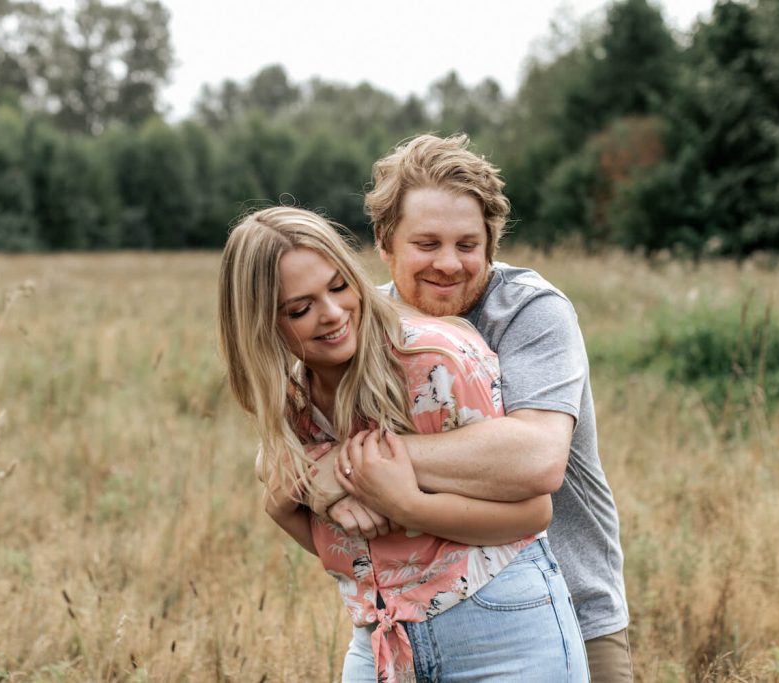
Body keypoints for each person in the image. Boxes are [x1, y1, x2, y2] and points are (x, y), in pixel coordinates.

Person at [218, 206, 589, 682]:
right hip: (381, 638)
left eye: (338, 287)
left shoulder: (431, 361)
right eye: (299, 308)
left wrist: (405, 502)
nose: (332, 314)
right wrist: (283, 503)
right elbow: (353, 550)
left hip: (500, 629)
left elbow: (534, 514)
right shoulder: (292, 402)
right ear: (258, 325)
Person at [311, 133, 633, 681]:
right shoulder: (360, 320)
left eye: (467, 245)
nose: (449, 264)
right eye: (427, 243)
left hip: (566, 616)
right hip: (407, 625)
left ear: (491, 246)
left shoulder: (529, 311)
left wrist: (351, 464)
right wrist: (312, 476)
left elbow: (536, 461)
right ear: (385, 243)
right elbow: (286, 446)